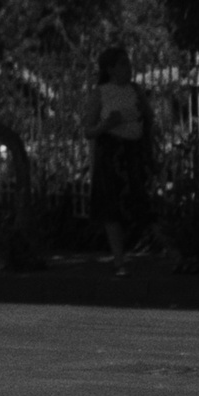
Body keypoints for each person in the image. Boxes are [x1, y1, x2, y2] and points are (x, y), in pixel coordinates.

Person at [80, 46, 152, 273]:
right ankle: (119, 259)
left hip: (133, 150)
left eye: (129, 64)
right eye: (123, 64)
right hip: (112, 152)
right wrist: (106, 125)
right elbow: (88, 130)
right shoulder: (101, 93)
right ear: (111, 69)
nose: (128, 69)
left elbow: (148, 116)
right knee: (111, 206)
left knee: (140, 202)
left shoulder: (135, 90)